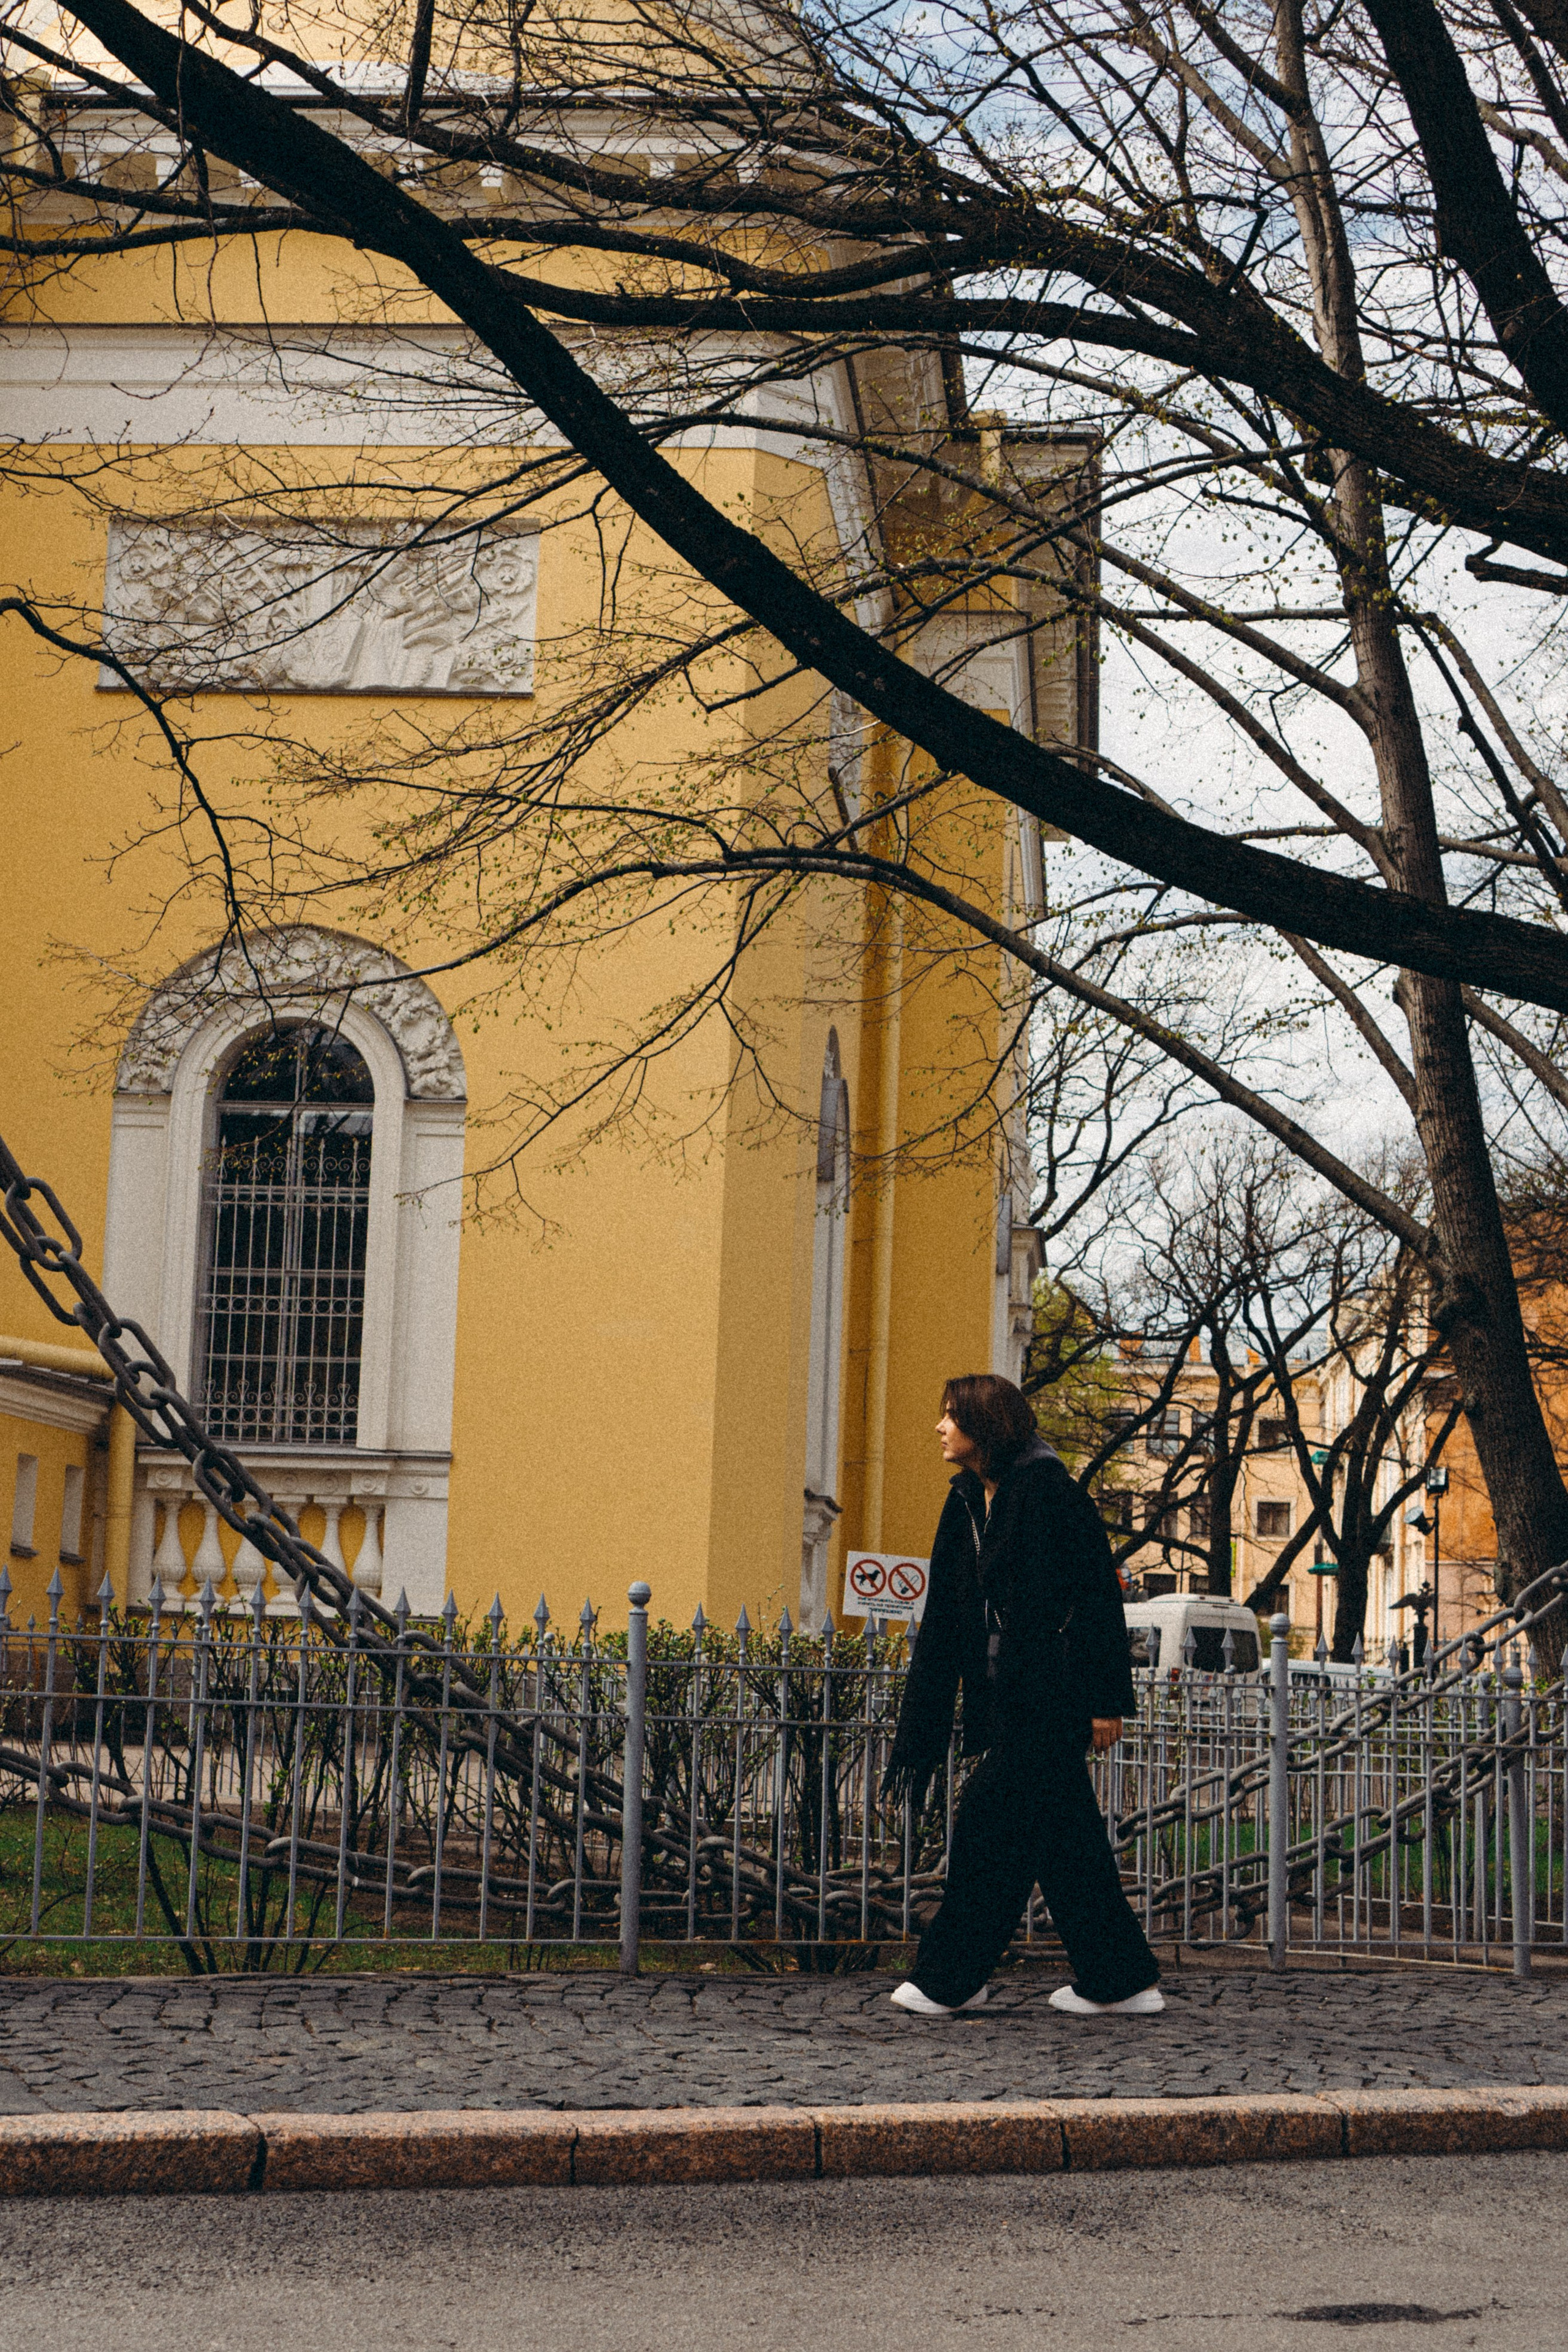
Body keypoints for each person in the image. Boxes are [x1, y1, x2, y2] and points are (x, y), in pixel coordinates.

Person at [882, 1372, 1163, 2019]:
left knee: (988, 1822)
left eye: (951, 1415)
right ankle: (1119, 1979)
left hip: (1052, 1697)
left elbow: (1096, 1598)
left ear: (986, 1426)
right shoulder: (965, 1501)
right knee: (1062, 1843)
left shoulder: (1051, 1494)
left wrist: (1104, 1701)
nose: (939, 1427)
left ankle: (949, 1979)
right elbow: (947, 1612)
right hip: (1004, 1698)